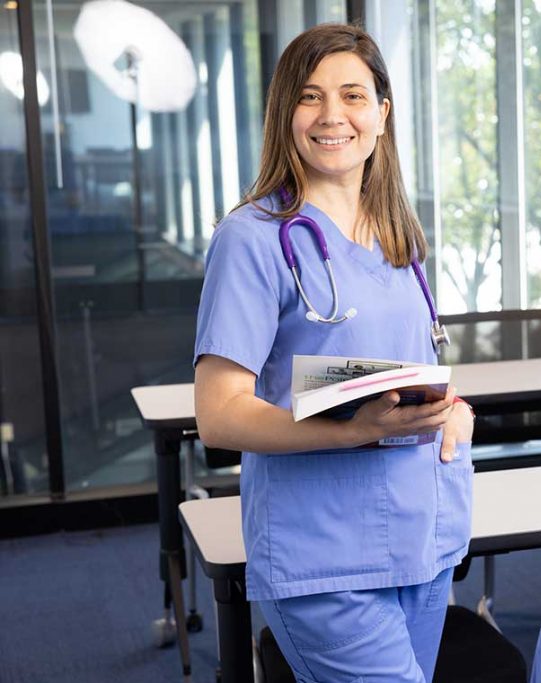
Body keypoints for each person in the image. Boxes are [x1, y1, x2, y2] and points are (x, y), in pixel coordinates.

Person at [193, 23, 474, 682]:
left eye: (352, 95)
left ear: (381, 114)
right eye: (310, 96)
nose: (332, 115)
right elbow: (220, 414)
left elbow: (413, 367)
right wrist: (356, 427)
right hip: (324, 556)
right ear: (285, 114)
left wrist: (454, 410)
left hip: (423, 540)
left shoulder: (397, 235)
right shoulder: (254, 239)